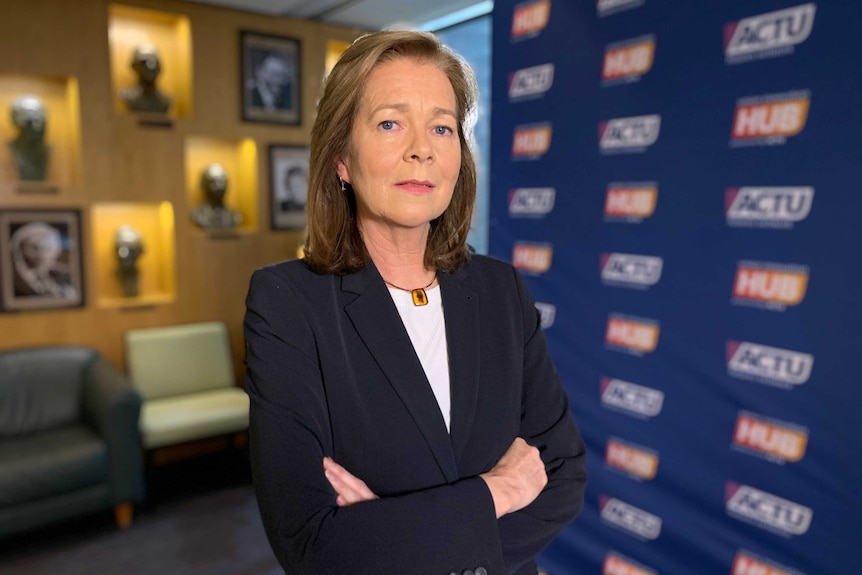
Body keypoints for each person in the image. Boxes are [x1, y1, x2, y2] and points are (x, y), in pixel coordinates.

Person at [244, 31, 586, 575]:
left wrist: (398, 536)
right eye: (389, 123)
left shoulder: (502, 291)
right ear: (342, 160)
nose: (421, 148)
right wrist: (498, 492)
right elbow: (312, 543)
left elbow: (564, 474)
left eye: (442, 126)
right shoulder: (287, 304)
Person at [11, 221, 76, 299]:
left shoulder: (61, 275)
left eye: (47, 248)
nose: (41, 253)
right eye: (35, 247)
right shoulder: (23, 278)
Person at [118, 43, 172, 114]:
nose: (150, 66)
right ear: (135, 67)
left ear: (159, 68)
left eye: (154, 62)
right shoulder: (126, 96)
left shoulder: (166, 100)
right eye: (144, 62)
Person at [8, 95, 50, 181]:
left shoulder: (49, 152)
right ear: (17, 124)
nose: (37, 127)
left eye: (41, 121)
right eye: (31, 122)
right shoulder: (6, 152)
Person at [191, 163, 243, 229]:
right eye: (213, 182)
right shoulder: (197, 214)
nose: (219, 187)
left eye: (222, 181)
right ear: (204, 185)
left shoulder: (234, 216)